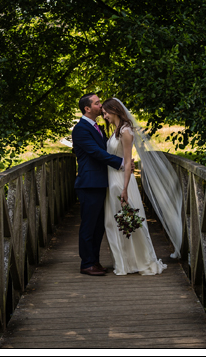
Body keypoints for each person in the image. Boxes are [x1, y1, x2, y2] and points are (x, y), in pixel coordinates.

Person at [100, 97, 183, 275]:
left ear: (114, 110)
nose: (104, 115)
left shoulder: (126, 131)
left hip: (122, 182)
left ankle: (143, 261)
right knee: (114, 223)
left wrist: (124, 188)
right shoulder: (116, 129)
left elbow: (128, 162)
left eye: (106, 112)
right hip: (111, 181)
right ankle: (124, 263)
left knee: (132, 224)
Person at [72, 93, 126, 276]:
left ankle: (94, 260)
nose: (101, 105)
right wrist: (121, 163)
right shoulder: (80, 129)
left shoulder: (97, 128)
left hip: (100, 182)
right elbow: (96, 152)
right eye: (97, 103)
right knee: (89, 224)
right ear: (87, 109)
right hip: (89, 183)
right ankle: (86, 263)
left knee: (98, 225)